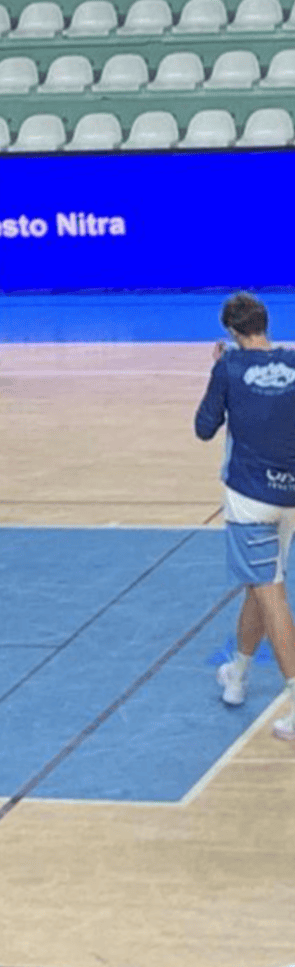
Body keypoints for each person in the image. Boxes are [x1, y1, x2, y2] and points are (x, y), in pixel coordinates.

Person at [195, 292, 295, 742]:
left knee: (270, 594)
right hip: (290, 495)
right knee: (262, 581)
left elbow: (204, 427)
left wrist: (220, 370)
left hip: (250, 498)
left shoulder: (229, 367)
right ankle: (237, 673)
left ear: (232, 331)